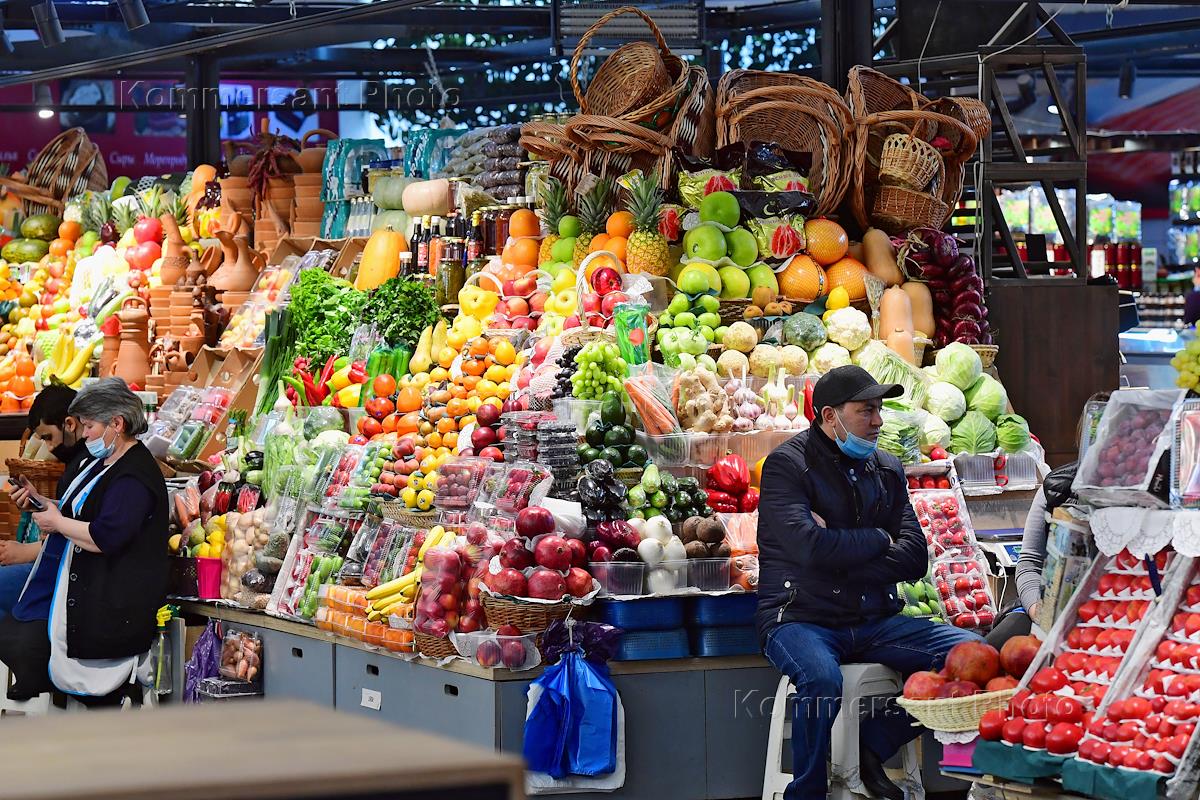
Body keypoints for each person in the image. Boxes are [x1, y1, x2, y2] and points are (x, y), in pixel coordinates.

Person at [757, 365, 982, 800]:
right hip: (800, 617)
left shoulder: (887, 468)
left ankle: (873, 742)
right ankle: (806, 793)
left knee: (971, 655)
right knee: (821, 681)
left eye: (879, 409)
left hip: (874, 616)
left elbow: (915, 556)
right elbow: (808, 550)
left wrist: (837, 548)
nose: (878, 421)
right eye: (866, 411)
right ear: (829, 416)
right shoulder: (788, 465)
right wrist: (880, 539)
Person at [0, 377, 168, 706]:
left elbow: (104, 536)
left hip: (109, 608)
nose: (85, 434)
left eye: (89, 426)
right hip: (75, 592)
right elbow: (81, 512)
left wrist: (58, 522)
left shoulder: (134, 476)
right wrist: (46, 505)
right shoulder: (102, 463)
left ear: (116, 424)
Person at [986, 391, 1111, 649]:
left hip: (1114, 616)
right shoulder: (1056, 488)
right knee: (990, 650)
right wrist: (1037, 610)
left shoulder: (1150, 499)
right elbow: (1029, 562)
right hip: (1050, 609)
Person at [0, 384, 83, 618]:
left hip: (66, 573)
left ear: (69, 424)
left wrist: (26, 552)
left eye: (49, 437)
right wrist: (39, 501)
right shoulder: (76, 464)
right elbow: (71, 512)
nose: (49, 447)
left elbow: (88, 530)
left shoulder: (89, 464)